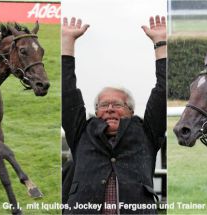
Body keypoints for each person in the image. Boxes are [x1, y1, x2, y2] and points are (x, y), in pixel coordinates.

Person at [61, 16, 166, 214]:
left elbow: (162, 91)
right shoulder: (81, 133)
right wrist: (67, 43)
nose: (109, 108)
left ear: (131, 111)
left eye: (117, 104)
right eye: (103, 105)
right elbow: (67, 92)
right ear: (96, 111)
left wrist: (160, 44)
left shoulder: (147, 134)